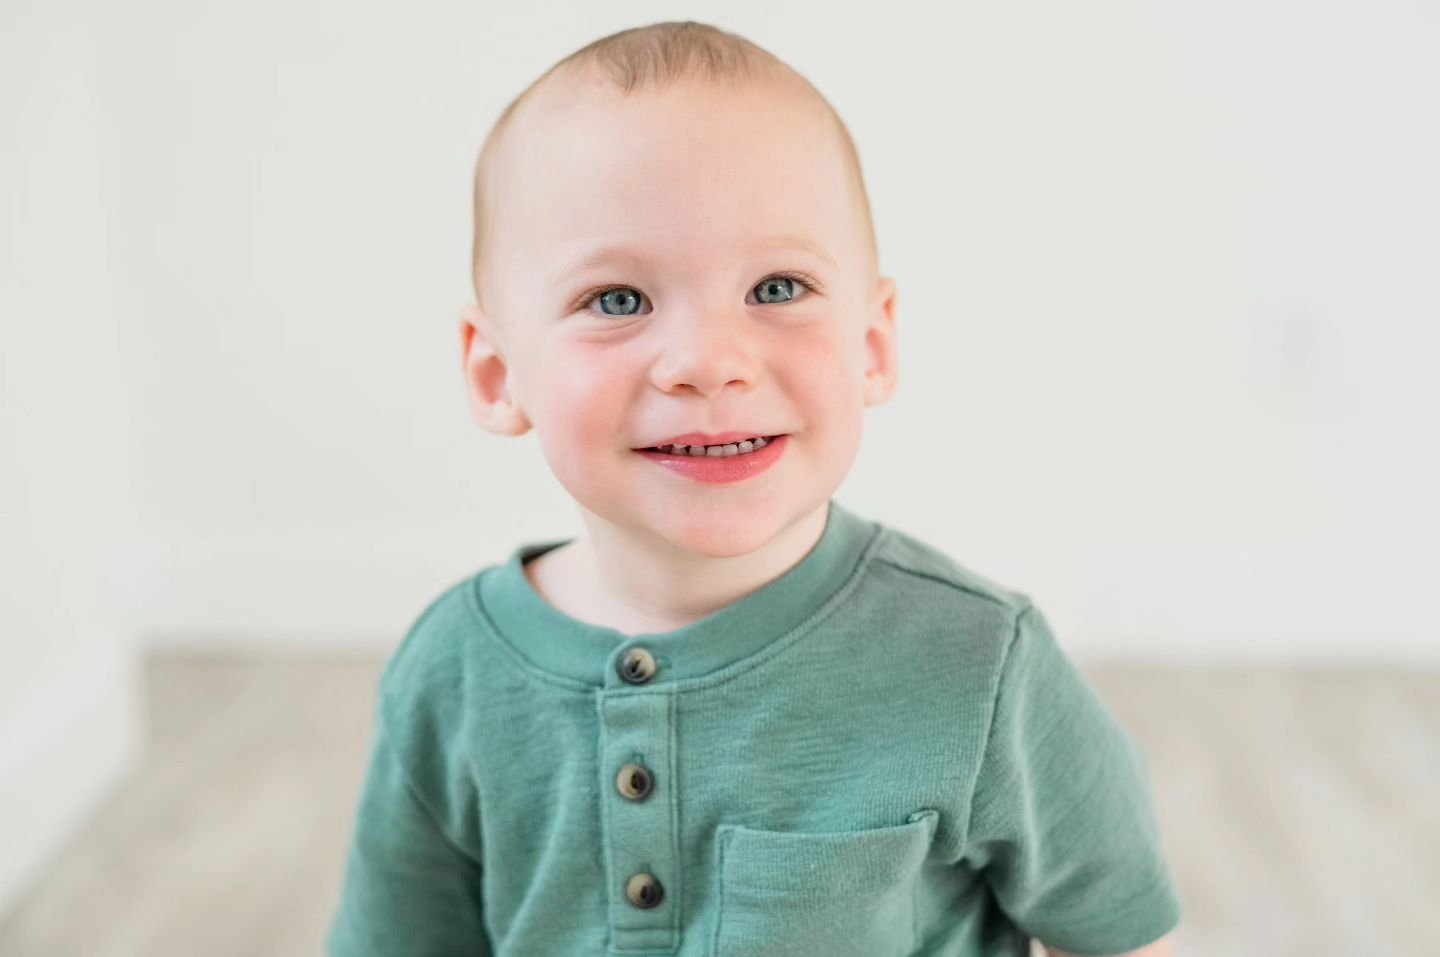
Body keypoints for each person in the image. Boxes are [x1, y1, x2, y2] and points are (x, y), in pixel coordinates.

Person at [326, 19, 1182, 957]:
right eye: (618, 300)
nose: (708, 363)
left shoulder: (974, 663)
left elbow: (1123, 936)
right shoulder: (450, 674)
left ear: (873, 344)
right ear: (497, 375)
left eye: (777, 287)